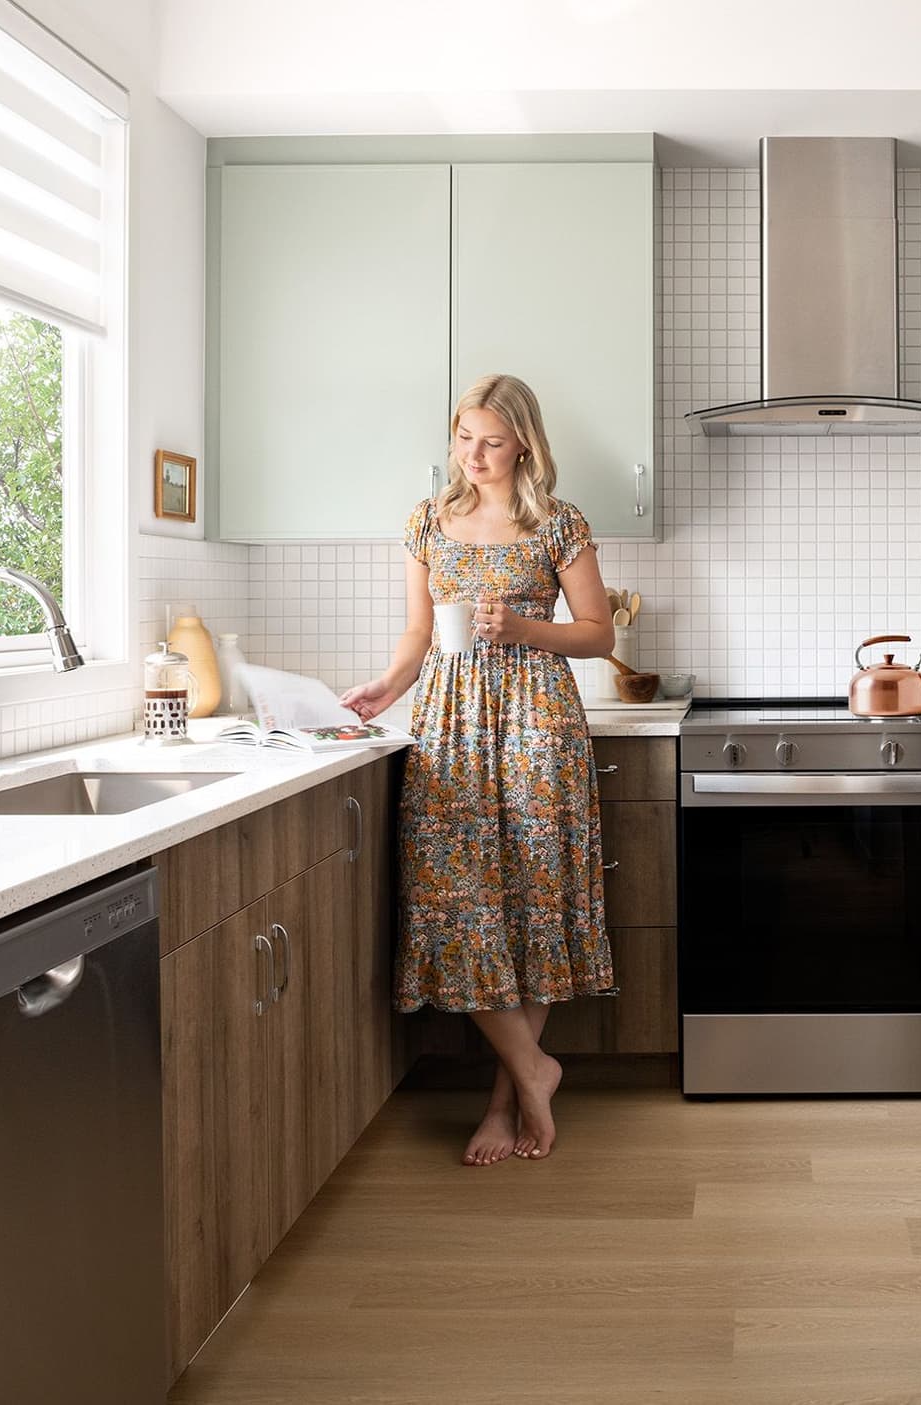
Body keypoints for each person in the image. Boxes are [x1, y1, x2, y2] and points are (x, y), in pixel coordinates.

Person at [342, 374, 616, 1165]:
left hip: (539, 723)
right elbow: (419, 634)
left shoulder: (559, 525)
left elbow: (597, 633)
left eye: (491, 441)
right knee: (452, 899)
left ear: (524, 442)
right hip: (450, 727)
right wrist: (386, 687)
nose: (474, 454)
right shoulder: (427, 521)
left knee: (530, 903)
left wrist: (528, 624)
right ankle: (537, 1068)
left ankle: (507, 1098)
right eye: (464, 437)